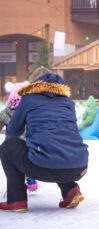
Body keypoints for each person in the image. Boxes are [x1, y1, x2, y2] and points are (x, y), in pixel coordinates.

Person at [0, 73, 89, 212]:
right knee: (58, 146)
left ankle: (17, 199)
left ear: (36, 85)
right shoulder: (68, 103)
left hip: (42, 167)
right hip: (79, 167)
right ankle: (71, 190)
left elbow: (13, 132)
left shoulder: (28, 100)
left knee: (7, 147)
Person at [0, 67, 53, 193]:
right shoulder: (29, 111)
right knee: (29, 162)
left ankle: (16, 188)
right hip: (28, 144)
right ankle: (31, 180)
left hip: (11, 145)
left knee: (13, 166)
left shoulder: (7, 112)